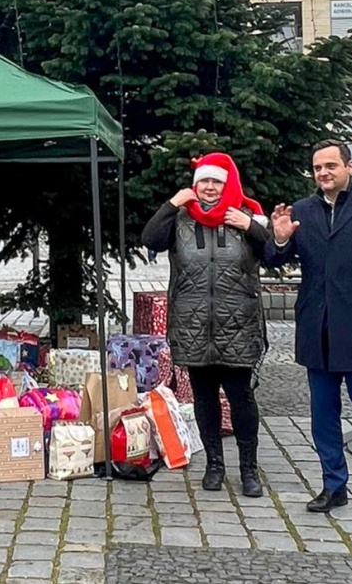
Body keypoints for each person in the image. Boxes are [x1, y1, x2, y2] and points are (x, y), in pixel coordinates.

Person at [266, 139, 352, 524]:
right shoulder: (302, 211)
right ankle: (334, 485)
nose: (324, 173)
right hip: (318, 331)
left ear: (349, 167)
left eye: (331, 166)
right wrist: (279, 238)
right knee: (322, 417)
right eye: (317, 168)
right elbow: (274, 259)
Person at [141, 152, 272, 498]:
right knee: (203, 398)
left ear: (227, 184)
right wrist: (172, 203)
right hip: (193, 324)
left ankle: (248, 469)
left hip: (238, 325)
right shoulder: (182, 218)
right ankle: (214, 464)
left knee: (241, 398)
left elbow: (274, 254)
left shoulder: (245, 216)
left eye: (216, 181)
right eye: (204, 182)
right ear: (195, 185)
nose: (210, 188)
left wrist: (254, 228)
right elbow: (150, 239)